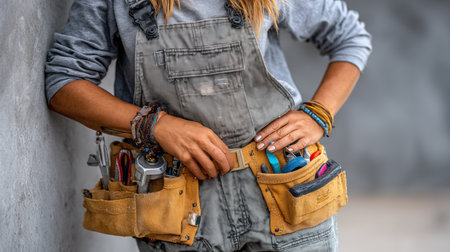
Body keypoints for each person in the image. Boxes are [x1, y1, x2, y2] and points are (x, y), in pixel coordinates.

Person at [45, 0, 372, 251]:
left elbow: (349, 37)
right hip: (176, 211)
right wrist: (155, 125)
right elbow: (64, 84)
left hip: (285, 192)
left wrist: (318, 113)